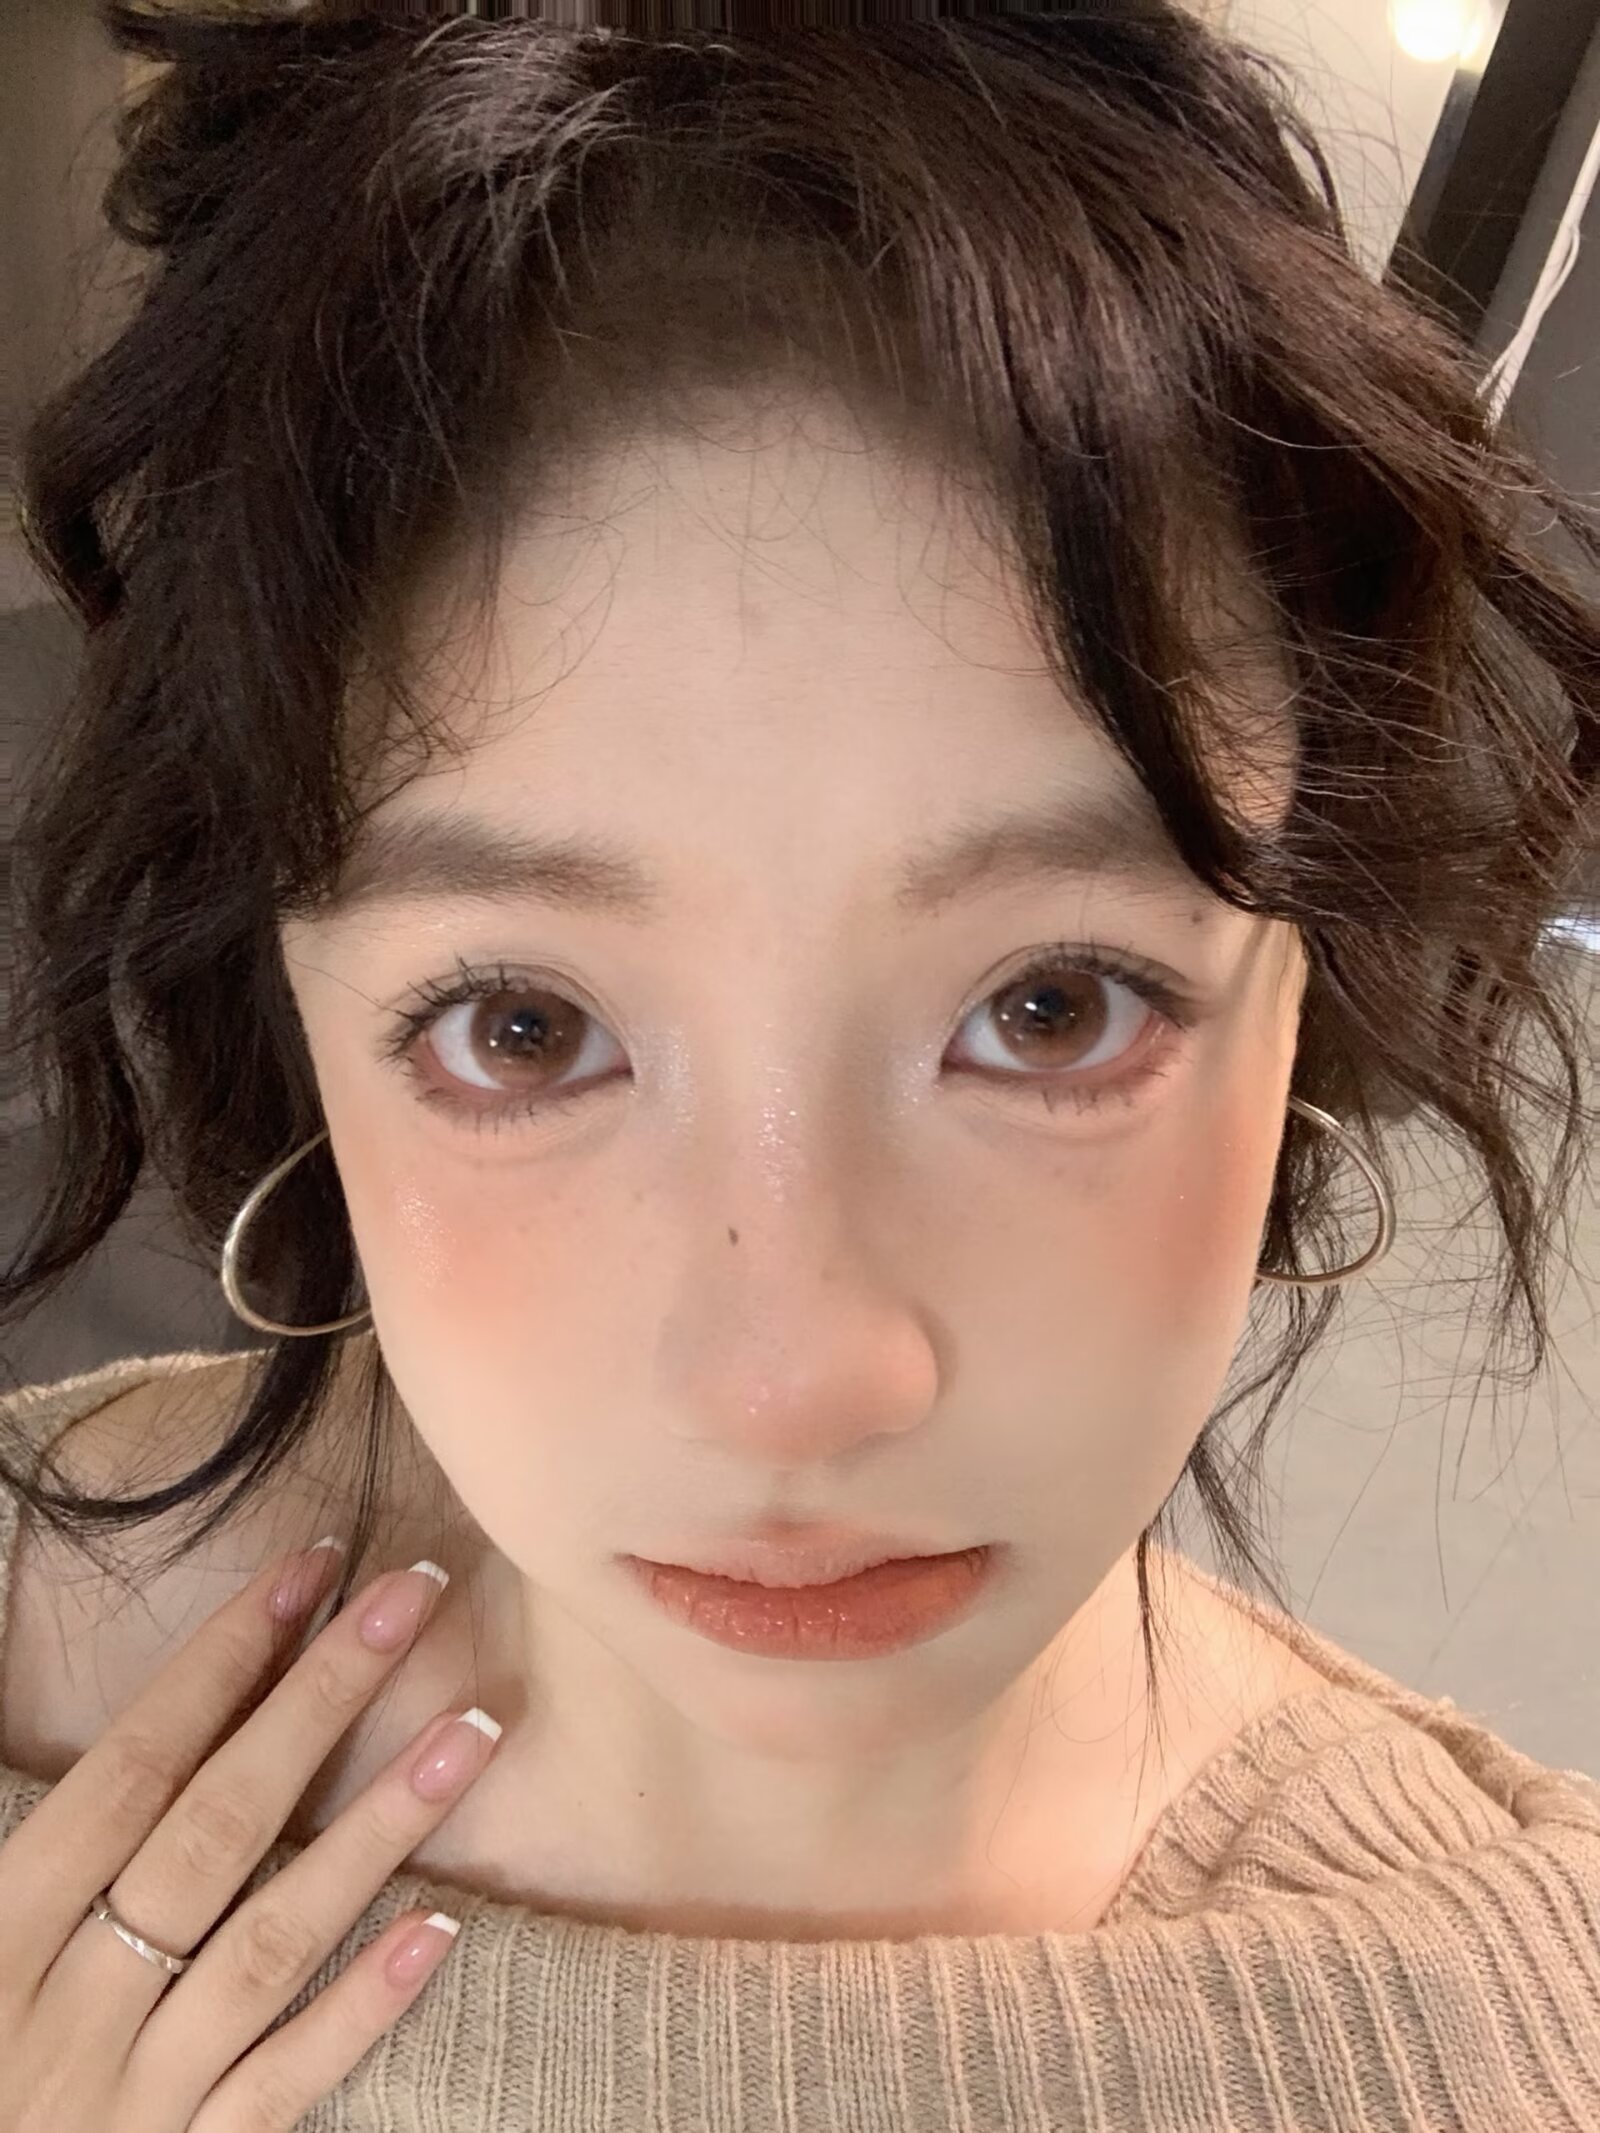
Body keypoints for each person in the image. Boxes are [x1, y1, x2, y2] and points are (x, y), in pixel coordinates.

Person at [1, 3, 1596, 2127]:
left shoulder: (1502, 2037)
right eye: (522, 1026)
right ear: (298, 1012)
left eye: (1051, 1004)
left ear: (1297, 994)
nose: (796, 1381)